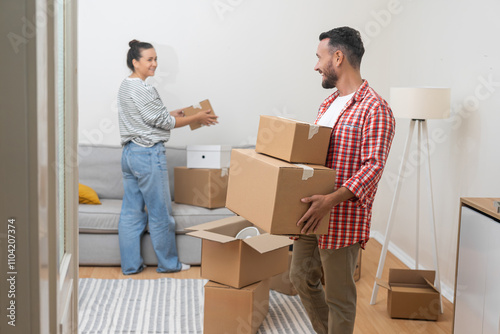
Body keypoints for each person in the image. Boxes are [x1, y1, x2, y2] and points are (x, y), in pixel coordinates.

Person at [289, 27, 396, 334]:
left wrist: (331, 200)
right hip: (311, 211)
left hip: (341, 216)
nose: (316, 66)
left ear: (338, 57)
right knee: (299, 277)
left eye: (319, 58)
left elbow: (373, 167)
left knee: (339, 295)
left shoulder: (375, 108)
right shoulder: (328, 105)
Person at [117, 39, 218, 275]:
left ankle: (131, 266)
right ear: (135, 62)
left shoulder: (125, 86)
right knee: (160, 213)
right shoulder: (144, 89)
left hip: (130, 154)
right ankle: (169, 264)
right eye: (149, 59)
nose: (154, 64)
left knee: (131, 214)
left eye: (156, 59)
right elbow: (164, 122)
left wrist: (178, 112)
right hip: (148, 155)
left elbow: (150, 117)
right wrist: (196, 117)